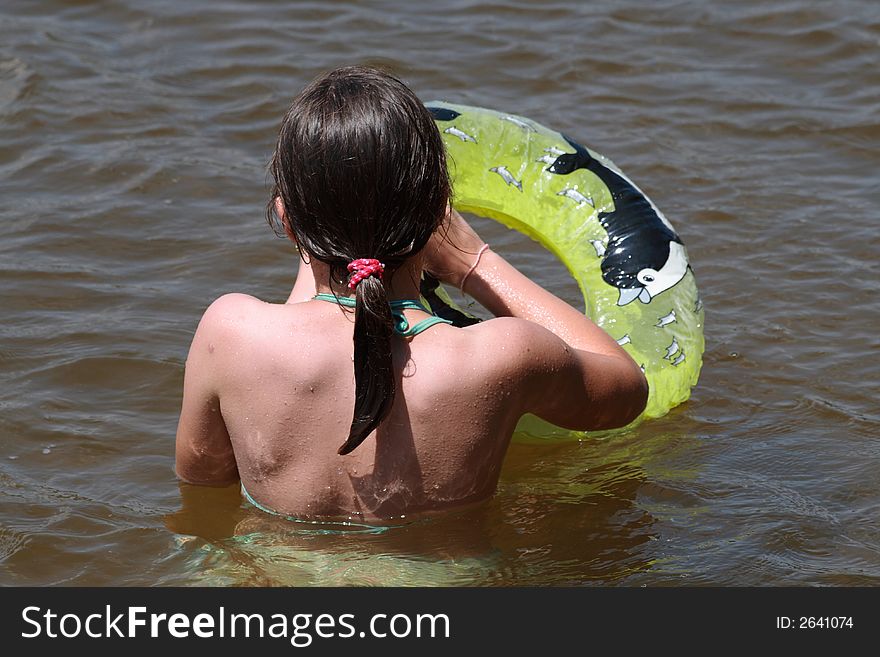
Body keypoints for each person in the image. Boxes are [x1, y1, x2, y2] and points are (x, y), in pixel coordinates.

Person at [175, 66, 648, 523]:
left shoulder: (230, 334)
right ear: (438, 211)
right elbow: (628, 392)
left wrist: (316, 246)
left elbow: (203, 483)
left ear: (286, 220)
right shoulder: (503, 356)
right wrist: (471, 262)